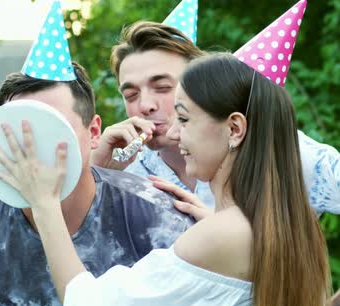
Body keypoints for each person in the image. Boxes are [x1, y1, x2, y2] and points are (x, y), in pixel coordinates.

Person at [0, 52, 330, 306]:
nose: (176, 135)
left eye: (185, 119)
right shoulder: (283, 223)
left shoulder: (222, 235)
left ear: (235, 128)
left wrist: (45, 204)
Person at [0, 63, 194, 306]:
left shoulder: (162, 222)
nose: (31, 150)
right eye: (16, 133)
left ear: (93, 133)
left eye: (52, 129)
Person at [91, 21, 340, 217]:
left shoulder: (283, 152)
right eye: (131, 94)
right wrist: (97, 175)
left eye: (163, 87)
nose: (144, 105)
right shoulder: (125, 170)